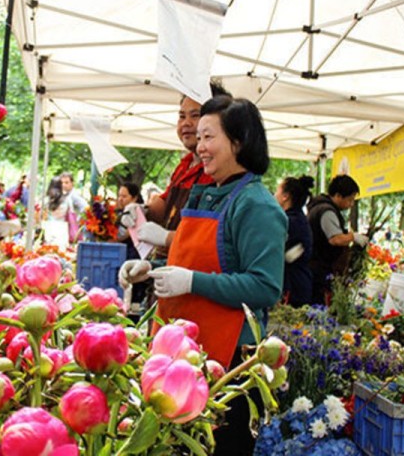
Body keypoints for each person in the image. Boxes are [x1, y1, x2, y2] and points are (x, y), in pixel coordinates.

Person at [119, 97, 287, 455]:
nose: (199, 146)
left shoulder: (256, 205)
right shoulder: (208, 194)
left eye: (208, 137)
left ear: (238, 142)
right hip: (183, 357)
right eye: (199, 137)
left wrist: (192, 281)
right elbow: (193, 257)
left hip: (227, 365)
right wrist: (151, 271)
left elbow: (265, 287)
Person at [136, 82, 232, 257]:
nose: (186, 123)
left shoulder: (221, 172)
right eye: (181, 116)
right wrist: (142, 211)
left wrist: (167, 237)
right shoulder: (184, 164)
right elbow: (165, 204)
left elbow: (212, 240)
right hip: (172, 262)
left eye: (195, 115)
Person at [307, 174, 369, 305]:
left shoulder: (320, 207)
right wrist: (353, 237)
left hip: (314, 267)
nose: (351, 204)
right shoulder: (327, 211)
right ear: (338, 195)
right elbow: (335, 239)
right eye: (350, 200)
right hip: (319, 269)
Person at [274, 175, 314, 307]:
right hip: (298, 284)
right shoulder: (296, 219)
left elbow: (291, 254)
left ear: (286, 196)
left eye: (277, 191)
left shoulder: (290, 222)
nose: (274, 195)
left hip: (293, 288)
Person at [116, 183, 148, 313]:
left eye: (124, 196)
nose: (120, 199)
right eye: (119, 196)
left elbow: (128, 234)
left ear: (134, 198)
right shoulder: (118, 213)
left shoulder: (139, 212)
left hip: (135, 253)